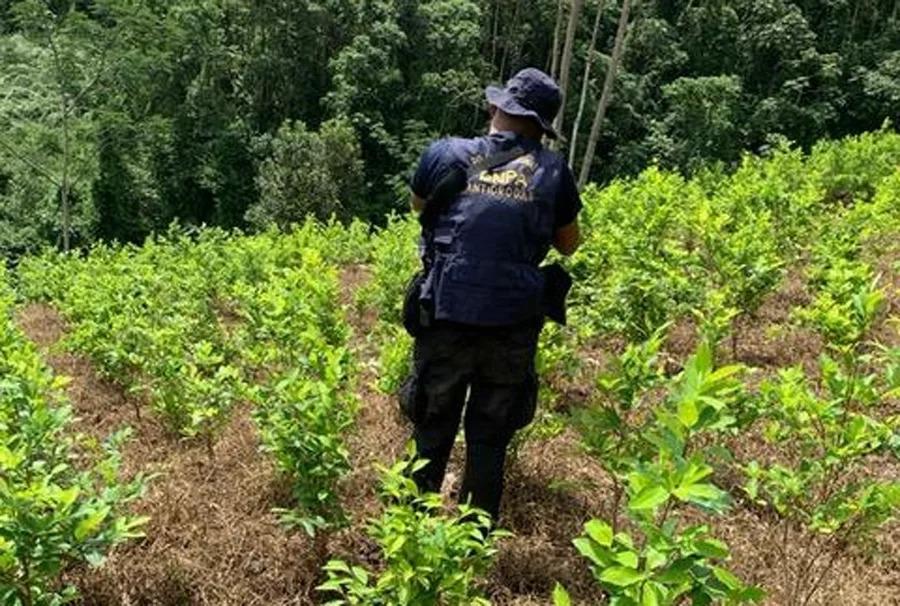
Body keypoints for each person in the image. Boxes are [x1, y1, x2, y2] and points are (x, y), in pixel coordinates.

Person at [405, 67, 582, 520]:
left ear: (495, 107)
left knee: (432, 424)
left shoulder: (446, 154)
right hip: (512, 322)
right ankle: (473, 541)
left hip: (446, 312)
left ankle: (408, 531)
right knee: (489, 436)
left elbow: (419, 208)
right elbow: (568, 244)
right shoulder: (554, 172)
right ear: (541, 126)